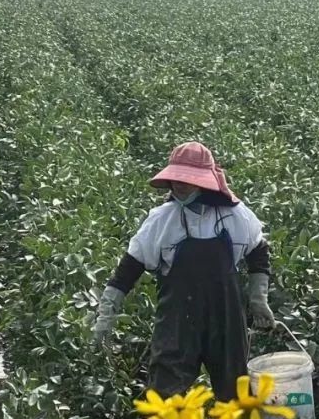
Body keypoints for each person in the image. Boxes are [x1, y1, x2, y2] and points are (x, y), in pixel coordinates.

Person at [91, 142, 276, 400]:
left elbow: (258, 252)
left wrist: (258, 299)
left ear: (205, 182)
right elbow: (128, 269)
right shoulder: (162, 220)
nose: (180, 184)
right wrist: (106, 313)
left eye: (188, 179)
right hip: (178, 319)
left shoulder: (234, 215)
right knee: (165, 391)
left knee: (234, 389)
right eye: (177, 178)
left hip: (225, 317)